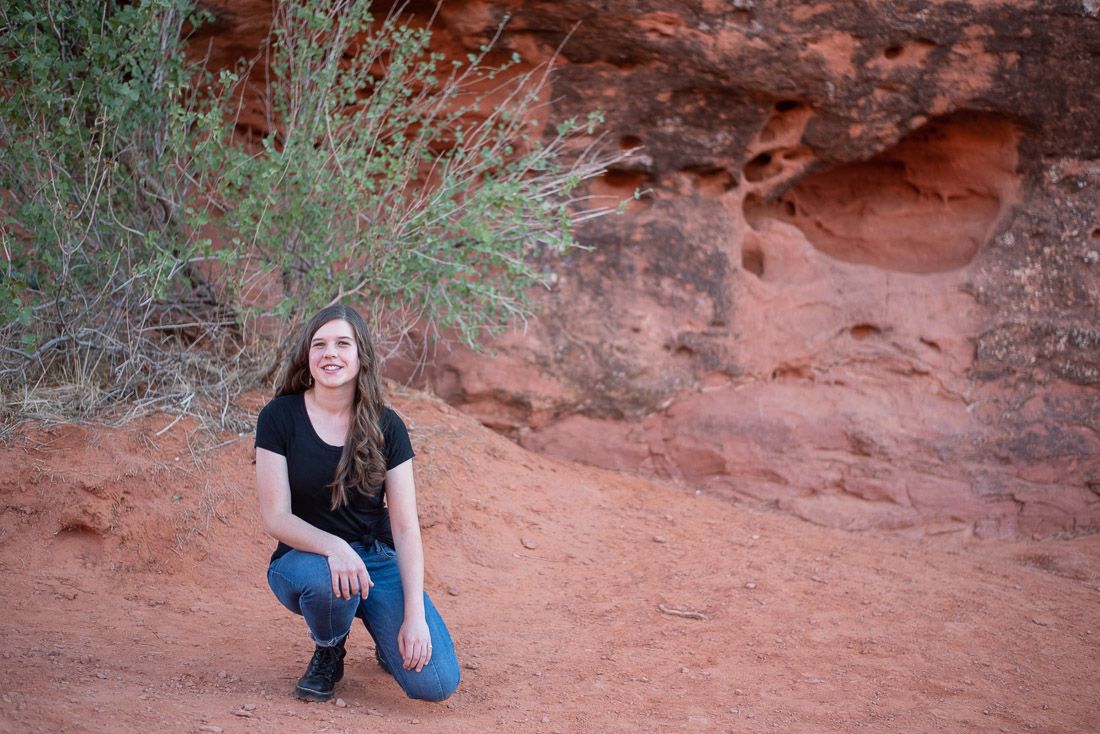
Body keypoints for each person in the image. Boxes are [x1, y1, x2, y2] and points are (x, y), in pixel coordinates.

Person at [254, 304, 460, 703]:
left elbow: (404, 527)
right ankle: (331, 647)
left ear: (361, 356)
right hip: (306, 558)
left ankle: (385, 632)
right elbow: (276, 516)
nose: (330, 353)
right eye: (320, 344)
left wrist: (413, 615)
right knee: (329, 585)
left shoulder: (387, 425)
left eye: (342, 343)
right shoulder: (279, 417)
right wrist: (335, 547)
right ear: (307, 356)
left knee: (435, 684)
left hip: (376, 557)